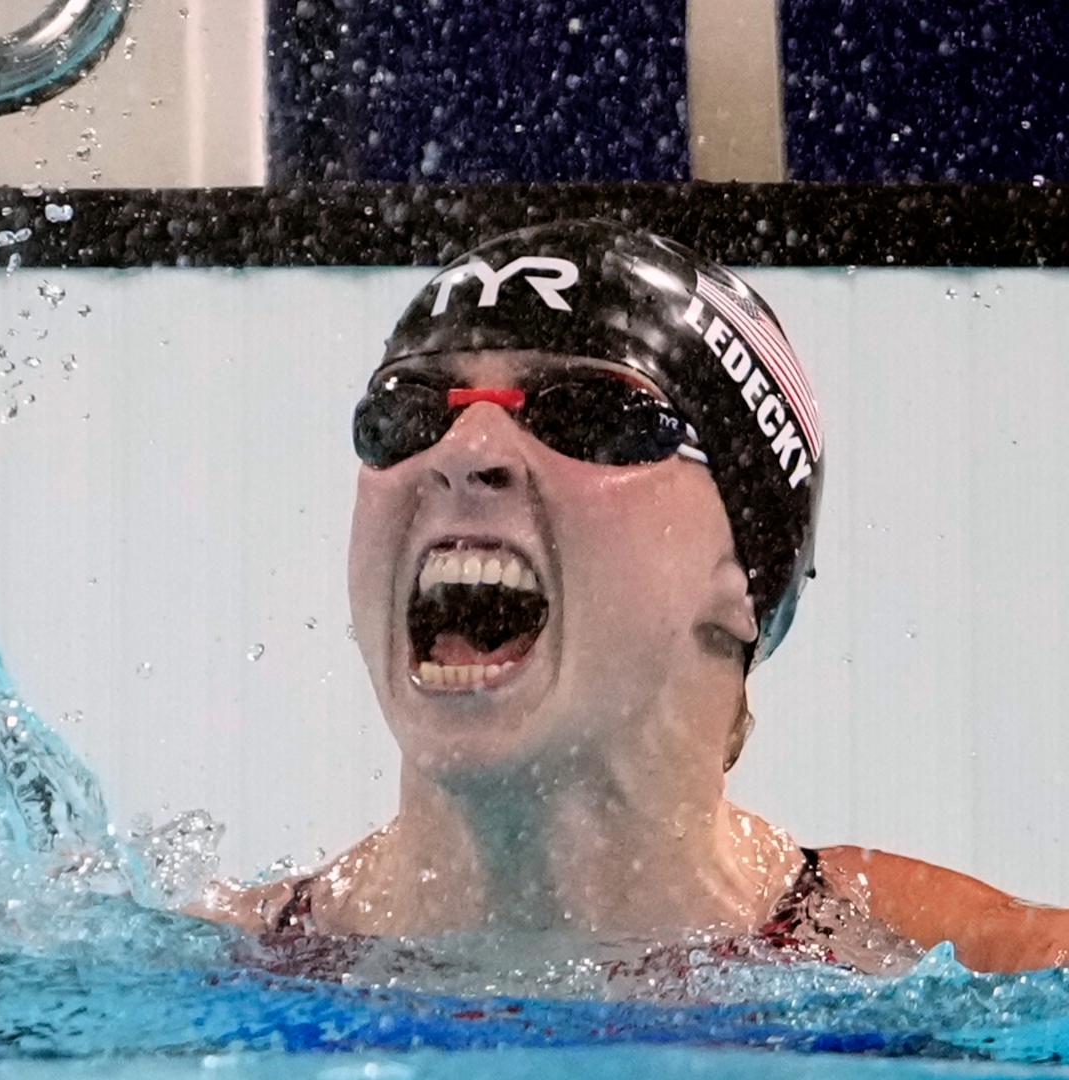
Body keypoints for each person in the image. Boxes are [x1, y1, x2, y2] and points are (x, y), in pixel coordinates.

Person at [195, 219, 1069, 974]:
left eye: (589, 414)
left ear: (742, 578)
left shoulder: (967, 970)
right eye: (408, 412)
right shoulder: (211, 964)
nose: (466, 448)